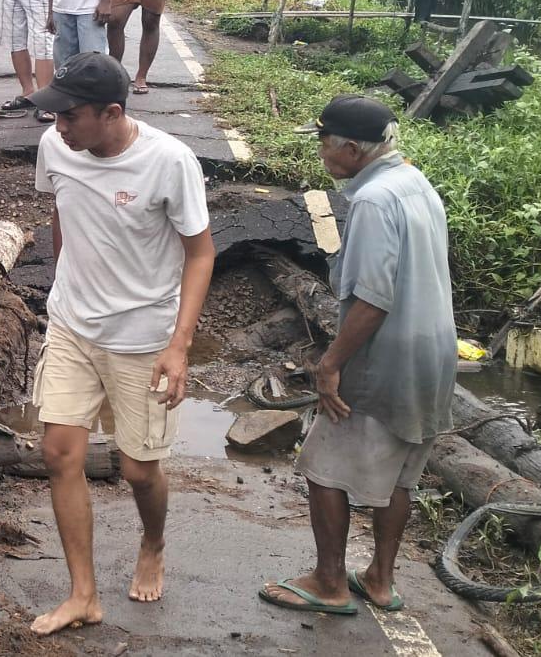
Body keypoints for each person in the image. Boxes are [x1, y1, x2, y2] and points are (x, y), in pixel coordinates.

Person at [26, 52, 214, 634]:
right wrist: (64, 280)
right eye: (55, 114)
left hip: (141, 338)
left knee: (138, 469)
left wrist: (179, 345)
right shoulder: (56, 147)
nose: (58, 126)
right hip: (72, 326)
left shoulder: (168, 162)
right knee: (59, 453)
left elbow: (200, 253)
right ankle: (83, 594)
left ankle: (152, 542)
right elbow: (61, 209)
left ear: (111, 113)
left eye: (70, 116)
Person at [260, 95, 457, 617]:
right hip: (434, 351)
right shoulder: (414, 182)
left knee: (324, 467)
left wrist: (330, 365)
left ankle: (329, 582)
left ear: (351, 148)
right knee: (399, 475)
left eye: (324, 143)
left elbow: (372, 299)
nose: (321, 153)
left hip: (385, 357)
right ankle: (380, 580)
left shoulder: (372, 201)